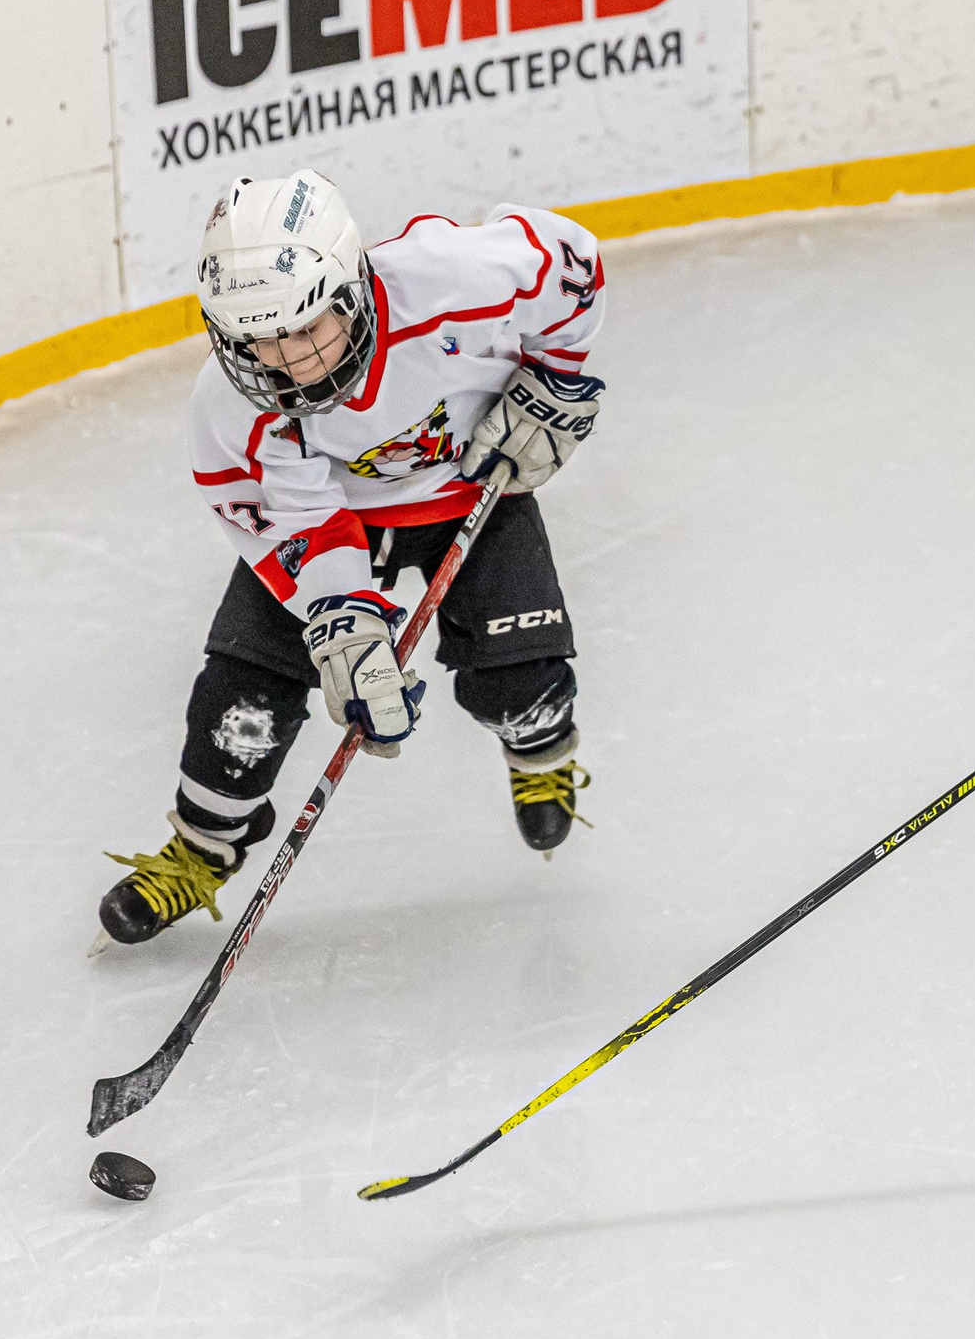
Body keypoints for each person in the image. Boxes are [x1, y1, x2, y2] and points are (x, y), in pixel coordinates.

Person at [96, 168, 608, 949]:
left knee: (522, 679)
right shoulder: (230, 408)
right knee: (244, 701)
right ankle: (201, 846)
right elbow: (293, 516)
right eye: (258, 341)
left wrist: (557, 380)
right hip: (337, 522)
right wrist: (340, 618)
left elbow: (573, 265)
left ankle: (541, 748)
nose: (288, 361)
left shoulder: (453, 280)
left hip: (468, 482)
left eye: (305, 330)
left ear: (352, 289)